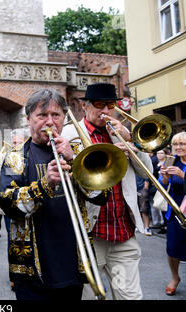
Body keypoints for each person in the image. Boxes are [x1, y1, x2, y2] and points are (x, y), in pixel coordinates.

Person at [0, 88, 105, 300]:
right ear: (29, 119)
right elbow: (8, 204)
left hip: (73, 260)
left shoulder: (80, 151)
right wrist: (45, 184)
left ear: (64, 118)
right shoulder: (13, 157)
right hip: (30, 267)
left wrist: (75, 160)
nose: (49, 122)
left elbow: (101, 195)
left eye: (55, 115)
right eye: (42, 115)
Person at [62, 82, 153, 300]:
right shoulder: (69, 133)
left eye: (110, 105)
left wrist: (131, 144)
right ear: (85, 106)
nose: (105, 111)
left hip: (122, 233)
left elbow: (147, 173)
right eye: (99, 105)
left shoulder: (121, 132)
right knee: (91, 296)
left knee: (128, 297)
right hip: (90, 234)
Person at [159, 131, 186, 296]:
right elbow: (163, 186)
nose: (178, 147)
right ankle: (175, 277)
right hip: (175, 212)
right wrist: (164, 178)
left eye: (182, 144)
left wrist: (183, 175)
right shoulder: (171, 161)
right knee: (172, 248)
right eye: (175, 144)